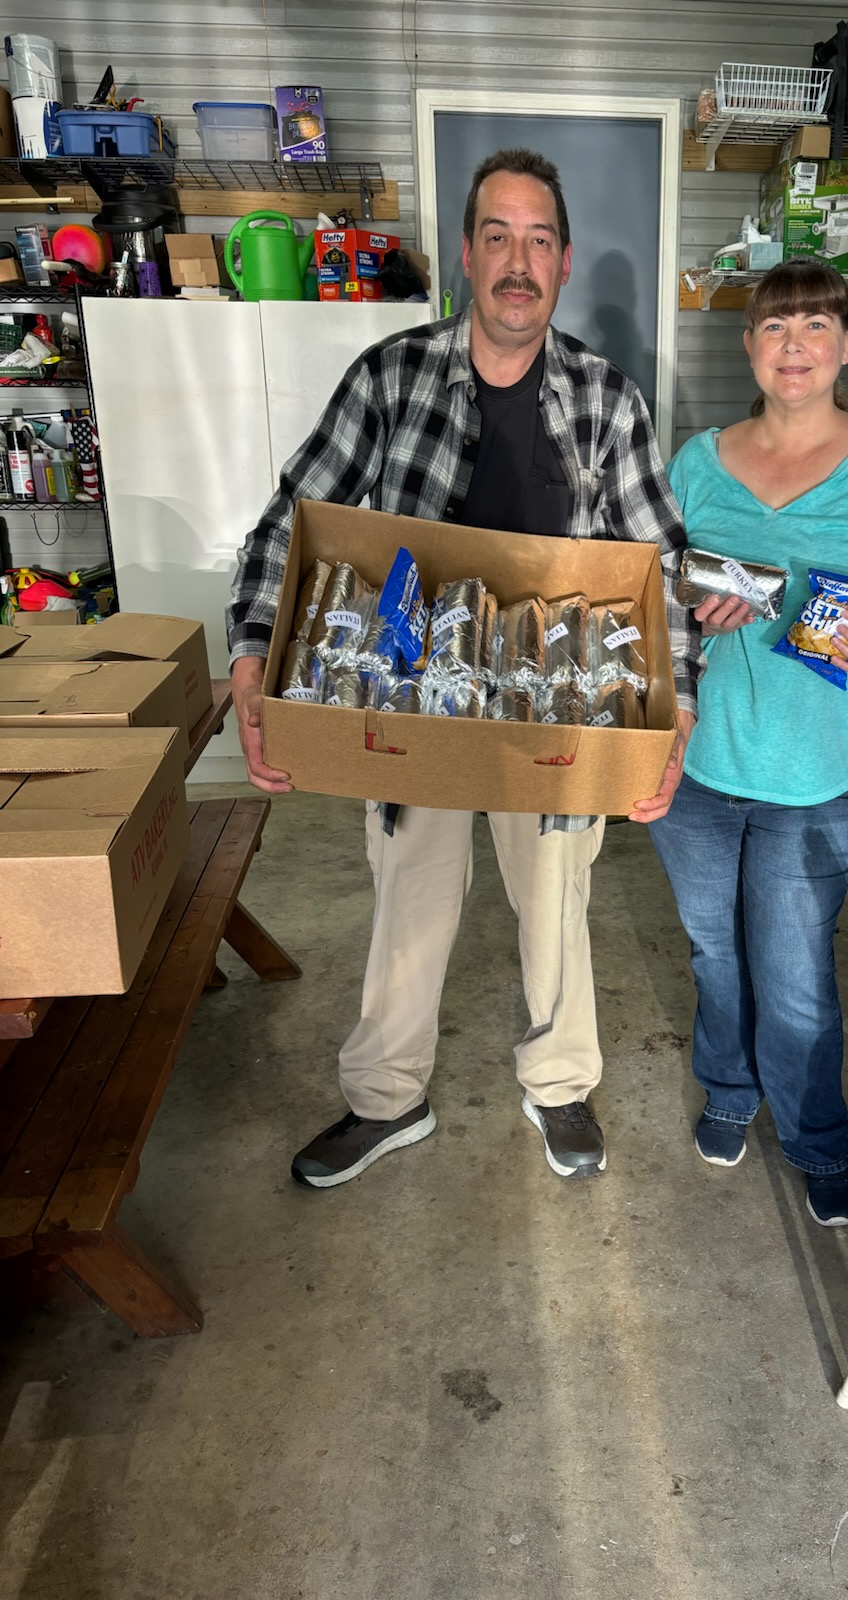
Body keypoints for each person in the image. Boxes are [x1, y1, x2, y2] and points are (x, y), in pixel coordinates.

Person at [226, 148, 700, 1188]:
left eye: (539, 240)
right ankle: (385, 1100)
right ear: (467, 256)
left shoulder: (607, 401)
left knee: (557, 903)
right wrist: (255, 650)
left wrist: (678, 713)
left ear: (564, 263)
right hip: (410, 694)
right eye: (498, 236)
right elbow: (291, 517)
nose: (518, 262)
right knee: (408, 901)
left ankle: (560, 1085)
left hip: (553, 704)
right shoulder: (391, 378)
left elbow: (659, 566)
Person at [648, 261, 848, 1227]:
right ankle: (730, 1089)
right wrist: (689, 606)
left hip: (823, 766)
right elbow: (652, 584)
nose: (793, 345)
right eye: (774, 327)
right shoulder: (698, 461)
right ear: (749, 347)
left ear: (845, 345)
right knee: (716, 950)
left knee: (792, 970)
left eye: (814, 326)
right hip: (701, 756)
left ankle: (816, 1137)